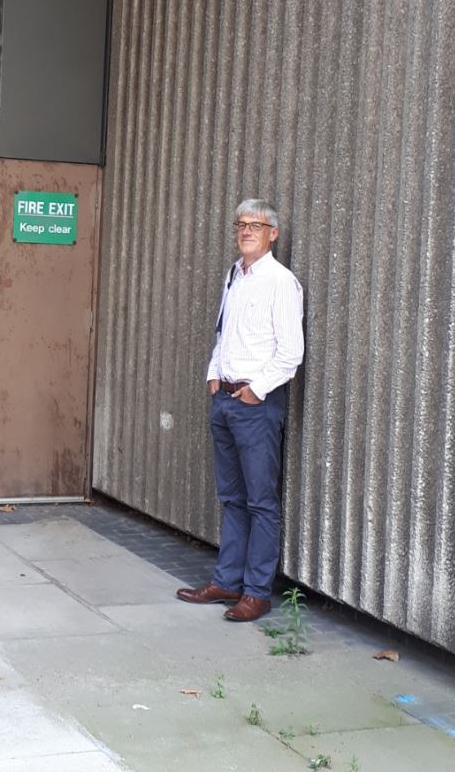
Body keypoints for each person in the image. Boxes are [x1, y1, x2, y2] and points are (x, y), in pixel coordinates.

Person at [176, 199, 304, 621]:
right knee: (232, 497)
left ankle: (256, 592)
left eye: (256, 225)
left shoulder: (281, 282)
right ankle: (227, 582)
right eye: (241, 224)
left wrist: (255, 391)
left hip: (256, 405)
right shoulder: (235, 274)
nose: (246, 230)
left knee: (261, 501)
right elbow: (222, 332)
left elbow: (291, 354)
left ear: (273, 234)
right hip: (224, 400)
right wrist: (214, 376)